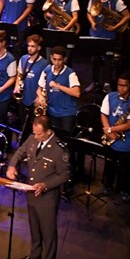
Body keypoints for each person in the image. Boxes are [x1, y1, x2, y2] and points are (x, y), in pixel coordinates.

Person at [7, 115, 71, 259]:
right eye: (34, 133)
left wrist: (45, 185)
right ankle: (35, 254)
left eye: (39, 134)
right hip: (31, 192)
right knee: (34, 226)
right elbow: (20, 152)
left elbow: (64, 175)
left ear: (49, 132)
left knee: (48, 231)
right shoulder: (32, 138)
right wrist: (12, 166)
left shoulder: (59, 149)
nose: (35, 137)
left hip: (47, 197)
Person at [35, 46, 80, 193]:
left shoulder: (70, 73)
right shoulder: (47, 70)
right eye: (54, 59)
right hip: (52, 112)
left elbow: (77, 93)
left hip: (66, 113)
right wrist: (41, 96)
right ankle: (54, 176)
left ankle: (69, 178)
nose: (56, 62)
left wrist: (59, 86)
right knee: (53, 146)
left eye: (60, 60)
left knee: (66, 147)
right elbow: (39, 87)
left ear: (64, 60)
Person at [100, 74, 130, 205]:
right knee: (109, 164)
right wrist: (107, 129)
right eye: (119, 85)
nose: (121, 88)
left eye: (124, 85)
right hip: (111, 138)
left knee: (124, 168)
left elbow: (129, 124)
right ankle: (108, 186)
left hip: (126, 141)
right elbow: (103, 114)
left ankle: (125, 192)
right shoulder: (110, 96)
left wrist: (111, 130)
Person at [85, 0, 130, 93]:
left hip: (109, 36)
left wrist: (115, 27)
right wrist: (92, 22)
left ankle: (106, 84)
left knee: (107, 61)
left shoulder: (116, 1)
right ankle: (94, 82)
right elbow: (89, 13)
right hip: (96, 33)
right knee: (94, 59)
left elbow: (127, 16)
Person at [13, 34, 49, 142]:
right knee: (22, 122)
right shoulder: (23, 59)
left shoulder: (45, 63)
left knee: (34, 127)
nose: (30, 48)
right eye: (29, 46)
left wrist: (40, 97)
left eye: (33, 46)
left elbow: (45, 83)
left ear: (39, 48)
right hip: (23, 97)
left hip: (35, 100)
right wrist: (16, 87)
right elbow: (19, 74)